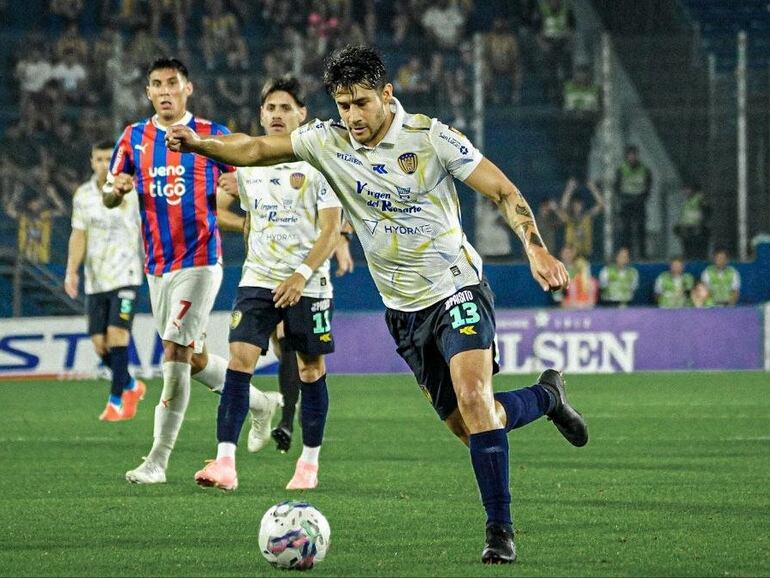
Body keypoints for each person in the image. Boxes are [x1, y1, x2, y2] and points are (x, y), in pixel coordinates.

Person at [167, 45, 587, 565]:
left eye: (361, 103)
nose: (352, 116)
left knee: (476, 401)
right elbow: (254, 150)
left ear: (387, 95)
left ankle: (499, 530)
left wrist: (535, 246)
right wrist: (199, 144)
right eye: (343, 105)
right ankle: (547, 397)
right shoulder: (326, 141)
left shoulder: (430, 138)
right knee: (472, 424)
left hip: (456, 286)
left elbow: (501, 189)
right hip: (403, 310)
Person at [103, 57, 281, 486]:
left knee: (174, 352)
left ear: (188, 88)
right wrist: (116, 190)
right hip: (157, 266)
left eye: (172, 83)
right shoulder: (133, 138)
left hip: (200, 261)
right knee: (195, 357)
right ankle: (259, 404)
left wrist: (240, 190)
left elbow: (249, 180)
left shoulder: (212, 136)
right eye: (156, 85)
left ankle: (157, 461)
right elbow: (110, 192)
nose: (164, 91)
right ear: (147, 93)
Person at [193, 76, 344, 492]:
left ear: (302, 114)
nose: (277, 115)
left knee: (310, 369)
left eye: (285, 108)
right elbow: (218, 205)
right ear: (261, 114)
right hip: (257, 280)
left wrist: (301, 275)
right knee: (240, 360)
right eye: (271, 109)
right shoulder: (248, 164)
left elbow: (331, 231)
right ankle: (225, 461)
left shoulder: (320, 163)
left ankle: (308, 464)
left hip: (308, 284)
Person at [65, 139, 146, 421]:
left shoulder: (132, 192)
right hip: (96, 280)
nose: (102, 165)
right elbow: (79, 235)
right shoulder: (83, 195)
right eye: (98, 159)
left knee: (117, 336)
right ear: (91, 162)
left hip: (127, 276)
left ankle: (115, 403)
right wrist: (71, 270)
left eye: (107, 159)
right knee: (100, 345)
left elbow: (145, 228)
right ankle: (132, 385)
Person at [615, 145, 652, 259]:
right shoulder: (621, 169)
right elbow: (617, 186)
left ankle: (642, 255)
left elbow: (648, 186)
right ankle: (627, 255)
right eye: (629, 155)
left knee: (641, 229)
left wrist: (641, 198)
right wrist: (623, 198)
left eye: (633, 155)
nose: (632, 157)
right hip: (626, 202)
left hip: (639, 202)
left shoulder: (645, 169)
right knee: (626, 231)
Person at [555, 178, 604, 258]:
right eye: (575, 205)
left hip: (584, 254)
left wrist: (593, 188)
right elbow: (563, 208)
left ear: (582, 205)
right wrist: (569, 190)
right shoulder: (569, 219)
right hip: (570, 255)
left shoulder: (587, 217)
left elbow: (601, 205)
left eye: (579, 204)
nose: (577, 207)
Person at [673, 183, 710, 260]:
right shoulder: (686, 201)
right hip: (686, 228)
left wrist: (701, 225)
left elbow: (707, 212)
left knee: (695, 251)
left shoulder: (699, 199)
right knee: (687, 250)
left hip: (696, 228)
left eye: (687, 189)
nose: (685, 191)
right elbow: (684, 215)